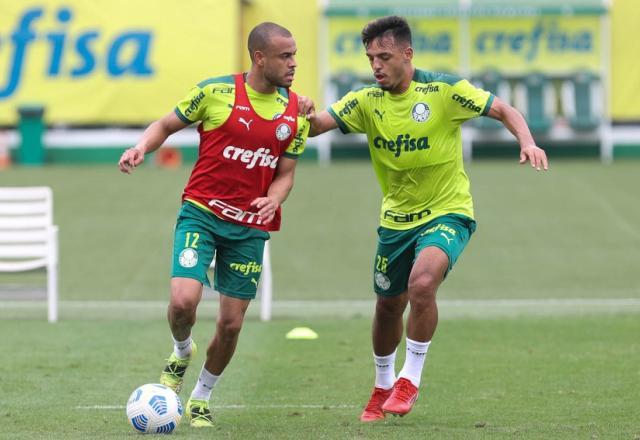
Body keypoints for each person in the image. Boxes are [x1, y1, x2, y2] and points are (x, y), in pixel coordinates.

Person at [304, 15, 548, 422]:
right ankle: (382, 384)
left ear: (407, 53)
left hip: (448, 212)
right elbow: (315, 127)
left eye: (384, 56)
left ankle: (409, 379)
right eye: (370, 58)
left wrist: (527, 141)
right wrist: (299, 109)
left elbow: (503, 109)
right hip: (396, 221)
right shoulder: (366, 102)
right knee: (387, 306)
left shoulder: (444, 90)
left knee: (422, 284)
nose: (376, 65)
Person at [118, 22, 309, 428]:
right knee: (184, 301)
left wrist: (273, 198)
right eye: (285, 56)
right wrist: (140, 147)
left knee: (230, 323)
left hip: (249, 228)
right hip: (201, 213)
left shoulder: (295, 113)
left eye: (295, 55)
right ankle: (181, 350)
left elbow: (286, 173)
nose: (293, 64)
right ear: (260, 58)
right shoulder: (215, 93)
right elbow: (166, 125)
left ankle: (201, 396)